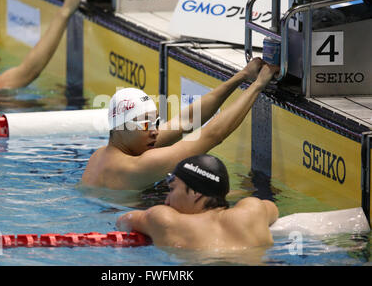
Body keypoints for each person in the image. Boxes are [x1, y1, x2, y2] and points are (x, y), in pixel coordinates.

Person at [82, 58, 278, 190]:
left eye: (156, 122)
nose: (154, 132)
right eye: (145, 125)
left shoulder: (103, 153)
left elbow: (187, 120)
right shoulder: (137, 166)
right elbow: (212, 136)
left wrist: (242, 76)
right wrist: (257, 86)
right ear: (120, 129)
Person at [116, 154, 279, 250]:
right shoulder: (253, 209)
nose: (167, 201)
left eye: (172, 189)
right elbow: (272, 209)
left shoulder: (166, 219)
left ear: (195, 192)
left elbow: (123, 221)